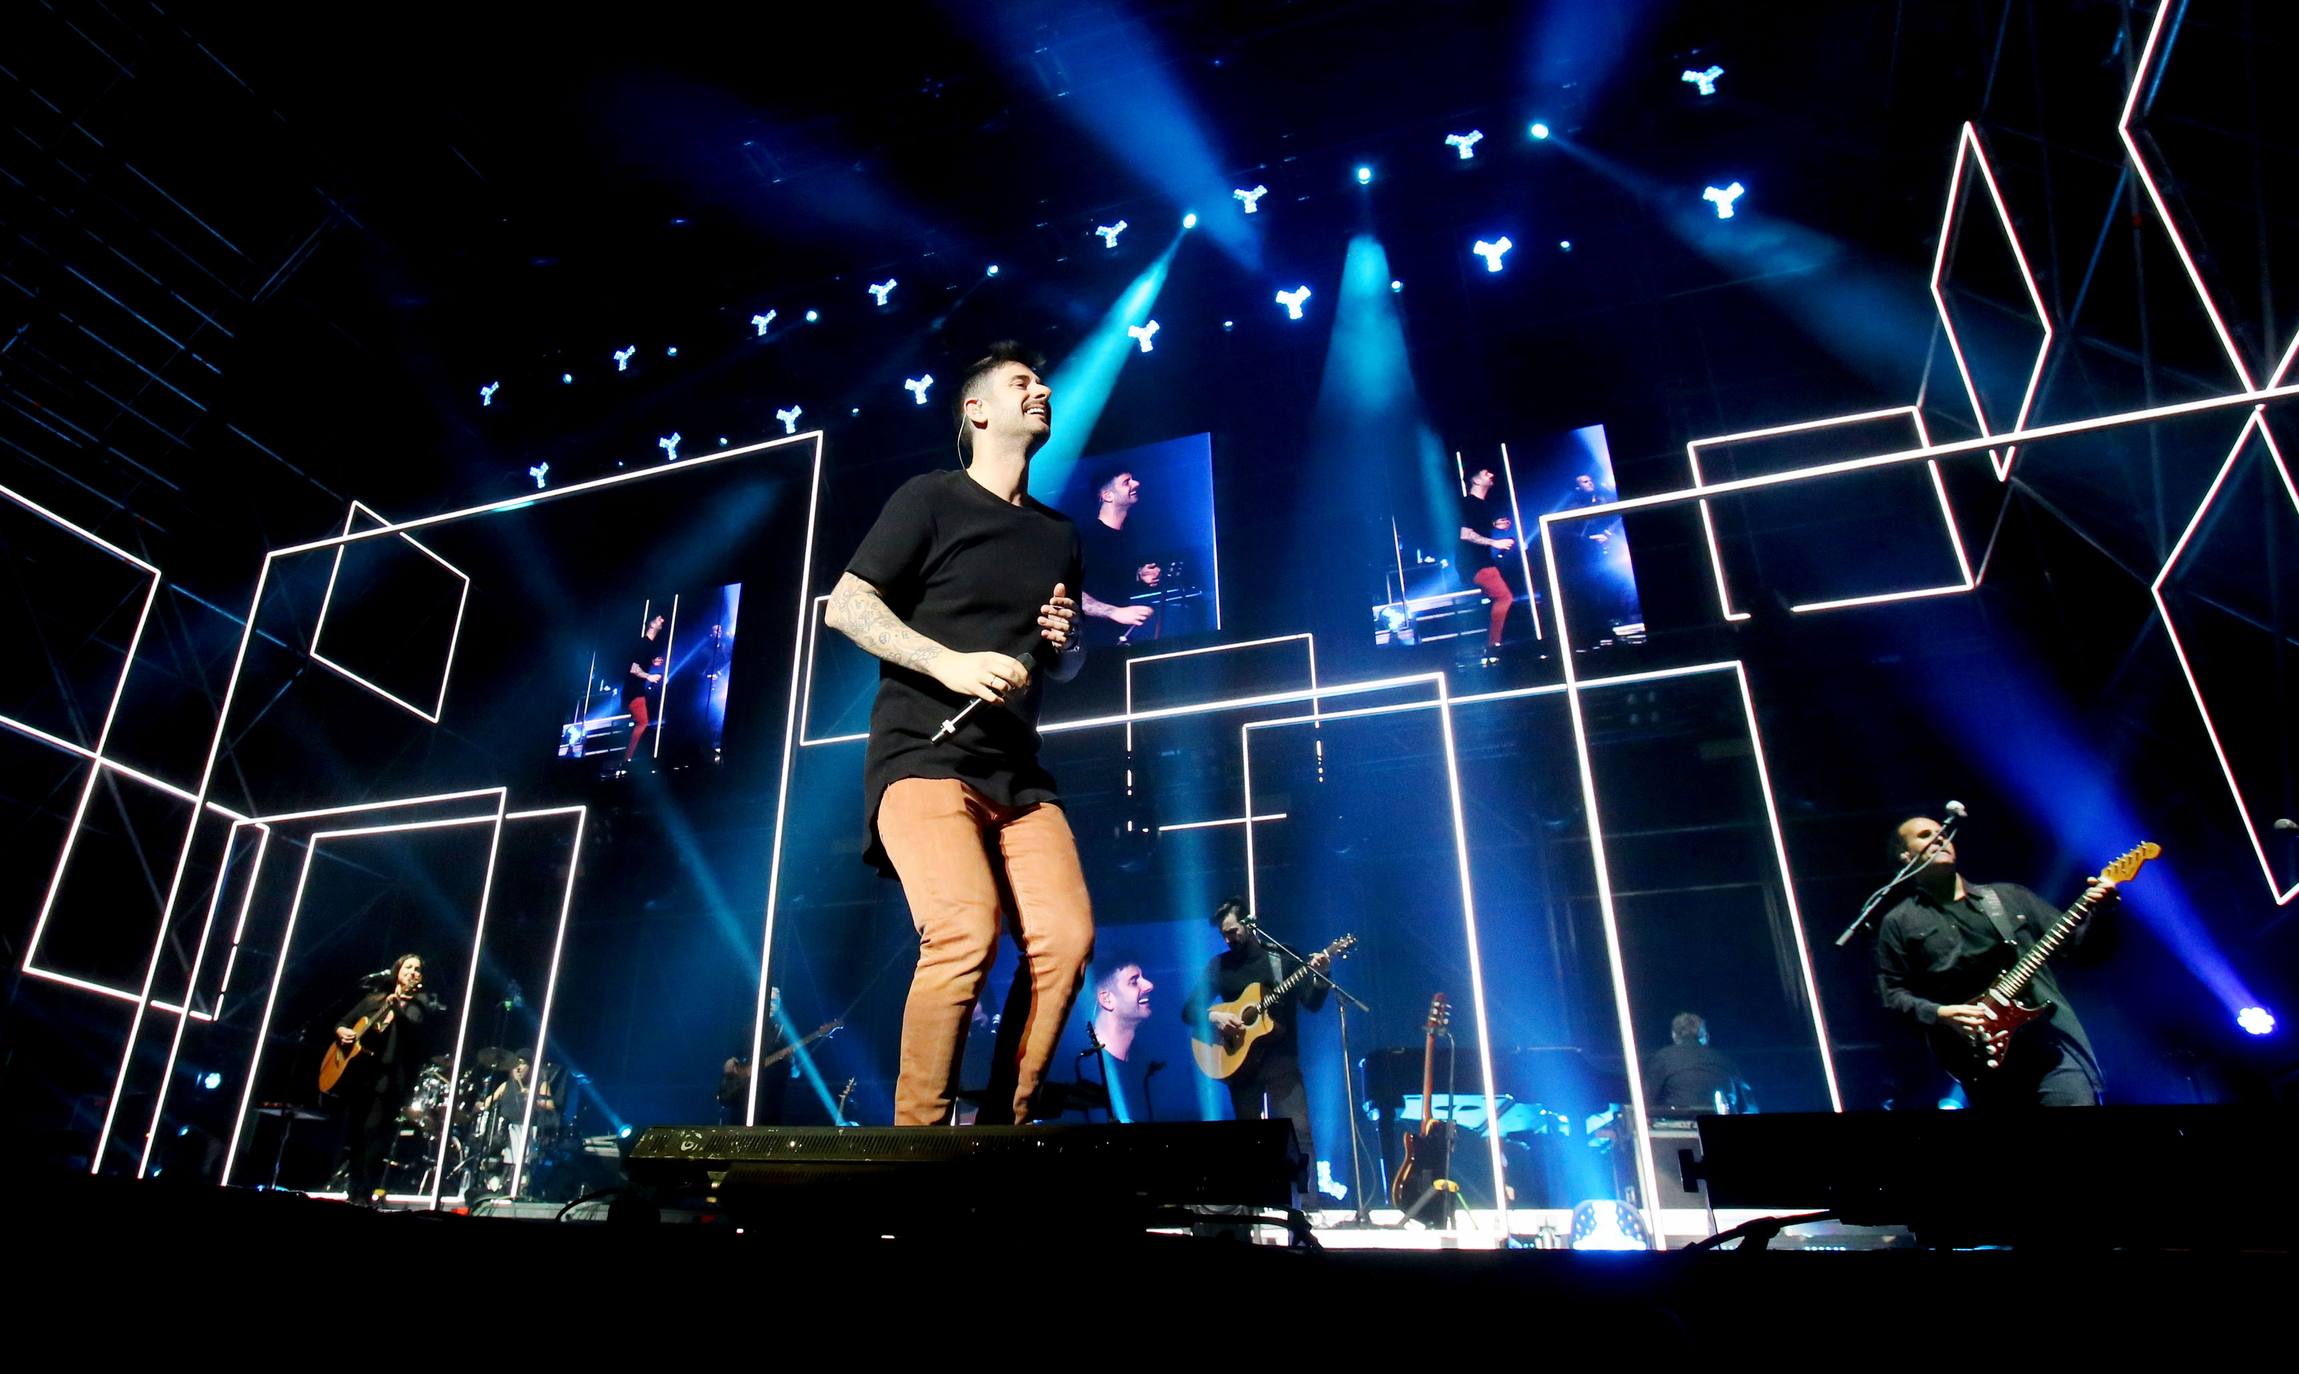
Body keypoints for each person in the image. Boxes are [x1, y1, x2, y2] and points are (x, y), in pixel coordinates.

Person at [822, 340, 1093, 1127]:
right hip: (924, 756)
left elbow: (1063, 663)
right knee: (966, 929)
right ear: (976, 410)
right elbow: (848, 606)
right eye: (1020, 383)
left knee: (1066, 941)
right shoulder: (930, 498)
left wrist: (1068, 642)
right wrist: (951, 664)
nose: (1039, 390)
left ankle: (1000, 1134)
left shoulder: (1058, 534)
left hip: (1018, 772)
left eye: (1041, 383)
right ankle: (919, 1145)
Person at [1874, 815, 2117, 1107]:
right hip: (1982, 1062)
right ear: (1906, 855)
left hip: (2050, 1048)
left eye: (1944, 833)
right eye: (1925, 835)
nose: (1940, 838)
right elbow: (1891, 995)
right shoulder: (1900, 922)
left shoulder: (2007, 897)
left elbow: (2083, 951)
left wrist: (2100, 914)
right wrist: (1942, 1014)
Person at [1184, 898, 1330, 1191]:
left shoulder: (1283, 958)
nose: (1229, 938)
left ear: (1250, 925)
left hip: (1281, 1060)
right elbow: (1189, 1011)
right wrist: (1216, 1018)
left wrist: (1323, 977)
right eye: (1224, 934)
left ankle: (1308, 1202)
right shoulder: (1220, 966)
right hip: (1240, 1064)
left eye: (1234, 930)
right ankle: (1256, 1200)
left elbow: (1312, 1003)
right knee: (1248, 1137)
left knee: (1297, 1131)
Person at [329, 953, 429, 1204]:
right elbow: (343, 1022)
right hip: (362, 1075)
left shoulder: (419, 1003)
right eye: (408, 967)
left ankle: (365, 1192)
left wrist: (398, 1007)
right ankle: (353, 1189)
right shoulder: (374, 998)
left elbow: (411, 1030)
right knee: (356, 1134)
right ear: (398, 971)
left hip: (391, 1078)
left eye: (417, 969)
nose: (413, 971)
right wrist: (343, 1032)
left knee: (375, 1132)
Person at [1078, 470, 1160, 645]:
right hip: (1091, 642)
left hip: (1118, 636)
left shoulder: (1129, 532)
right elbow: (1070, 590)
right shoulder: (1085, 537)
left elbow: (1107, 577)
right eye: (1126, 482)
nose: (1136, 483)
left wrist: (1139, 575)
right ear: (1107, 495)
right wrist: (1115, 612)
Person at [1456, 466, 1518, 660]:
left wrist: (1494, 526)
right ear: (1475, 481)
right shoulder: (1468, 503)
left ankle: (1493, 644)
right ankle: (1493, 645)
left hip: (1480, 560)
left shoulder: (1482, 506)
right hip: (1473, 561)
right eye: (1485, 473)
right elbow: (1465, 534)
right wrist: (1495, 542)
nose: (1491, 474)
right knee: (1504, 597)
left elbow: (1476, 525)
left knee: (1501, 597)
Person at [1085, 956, 1156, 1122]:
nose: (1149, 985)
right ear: (1106, 999)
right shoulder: (1085, 1066)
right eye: (1134, 981)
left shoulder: (1145, 1062)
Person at [1643, 1012, 1755, 1113]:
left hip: (1676, 1126)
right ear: (1705, 1036)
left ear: (1674, 1035)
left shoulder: (1662, 1058)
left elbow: (1646, 1100)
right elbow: (1747, 1104)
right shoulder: (1725, 1060)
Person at [623, 612, 668, 762]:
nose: (662, 620)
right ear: (651, 624)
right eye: (658, 618)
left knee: (642, 722)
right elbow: (634, 669)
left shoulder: (649, 645)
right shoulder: (643, 643)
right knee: (643, 722)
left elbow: (641, 661)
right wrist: (649, 676)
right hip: (633, 691)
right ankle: (627, 757)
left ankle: (629, 756)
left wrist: (654, 662)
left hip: (636, 690)